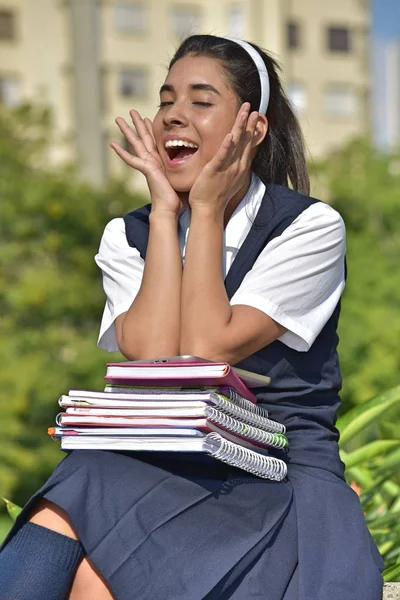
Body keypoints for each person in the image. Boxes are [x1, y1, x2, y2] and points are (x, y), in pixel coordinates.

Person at [0, 34, 384, 600]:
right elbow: (155, 357)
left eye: (201, 101)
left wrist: (203, 208)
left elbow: (206, 349)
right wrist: (164, 212)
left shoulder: (309, 228)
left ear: (253, 127)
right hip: (164, 464)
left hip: (277, 471)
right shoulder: (127, 234)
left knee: (90, 530)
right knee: (83, 486)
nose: (174, 115)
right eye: (166, 99)